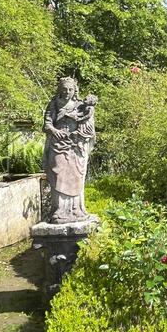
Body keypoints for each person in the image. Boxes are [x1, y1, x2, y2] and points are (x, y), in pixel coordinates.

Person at [42, 77, 96, 223]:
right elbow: (46, 125)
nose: (67, 92)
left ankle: (75, 209)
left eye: (70, 89)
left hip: (74, 145)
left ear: (75, 91)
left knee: (76, 176)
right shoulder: (53, 104)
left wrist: (90, 108)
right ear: (60, 89)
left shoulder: (79, 106)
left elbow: (87, 121)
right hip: (57, 144)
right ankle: (59, 209)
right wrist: (54, 131)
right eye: (64, 89)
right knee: (58, 174)